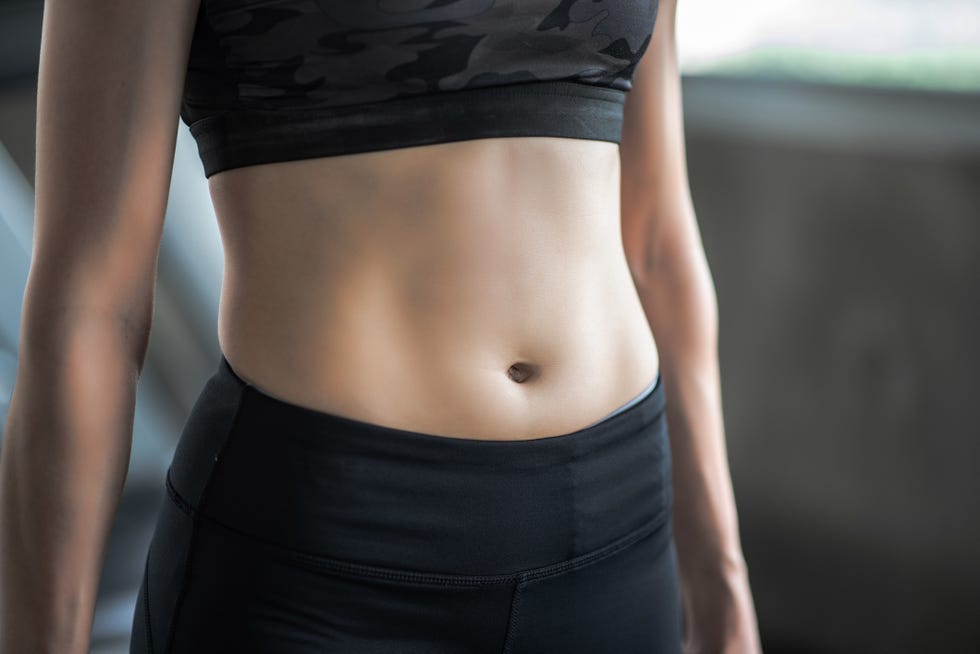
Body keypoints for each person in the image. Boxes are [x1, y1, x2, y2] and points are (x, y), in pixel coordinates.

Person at [0, 0, 762, 651]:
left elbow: (658, 241)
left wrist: (722, 582)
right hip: (321, 558)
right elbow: (91, 305)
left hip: (615, 535)